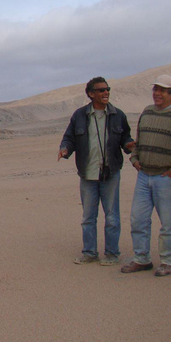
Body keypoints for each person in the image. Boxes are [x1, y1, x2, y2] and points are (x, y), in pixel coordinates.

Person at [122, 75, 171, 277]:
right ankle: (141, 259)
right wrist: (134, 159)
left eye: (162, 90)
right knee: (138, 219)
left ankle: (168, 261)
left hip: (166, 178)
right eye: (155, 89)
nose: (157, 94)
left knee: (167, 222)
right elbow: (140, 139)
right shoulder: (146, 112)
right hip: (144, 176)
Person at [58, 77, 134, 266]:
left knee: (112, 216)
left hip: (110, 172)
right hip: (88, 173)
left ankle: (112, 254)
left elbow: (126, 138)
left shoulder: (118, 115)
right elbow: (69, 138)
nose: (106, 92)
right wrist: (65, 149)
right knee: (88, 217)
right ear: (91, 94)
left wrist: (130, 145)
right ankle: (90, 252)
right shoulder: (79, 116)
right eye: (101, 90)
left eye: (107, 89)